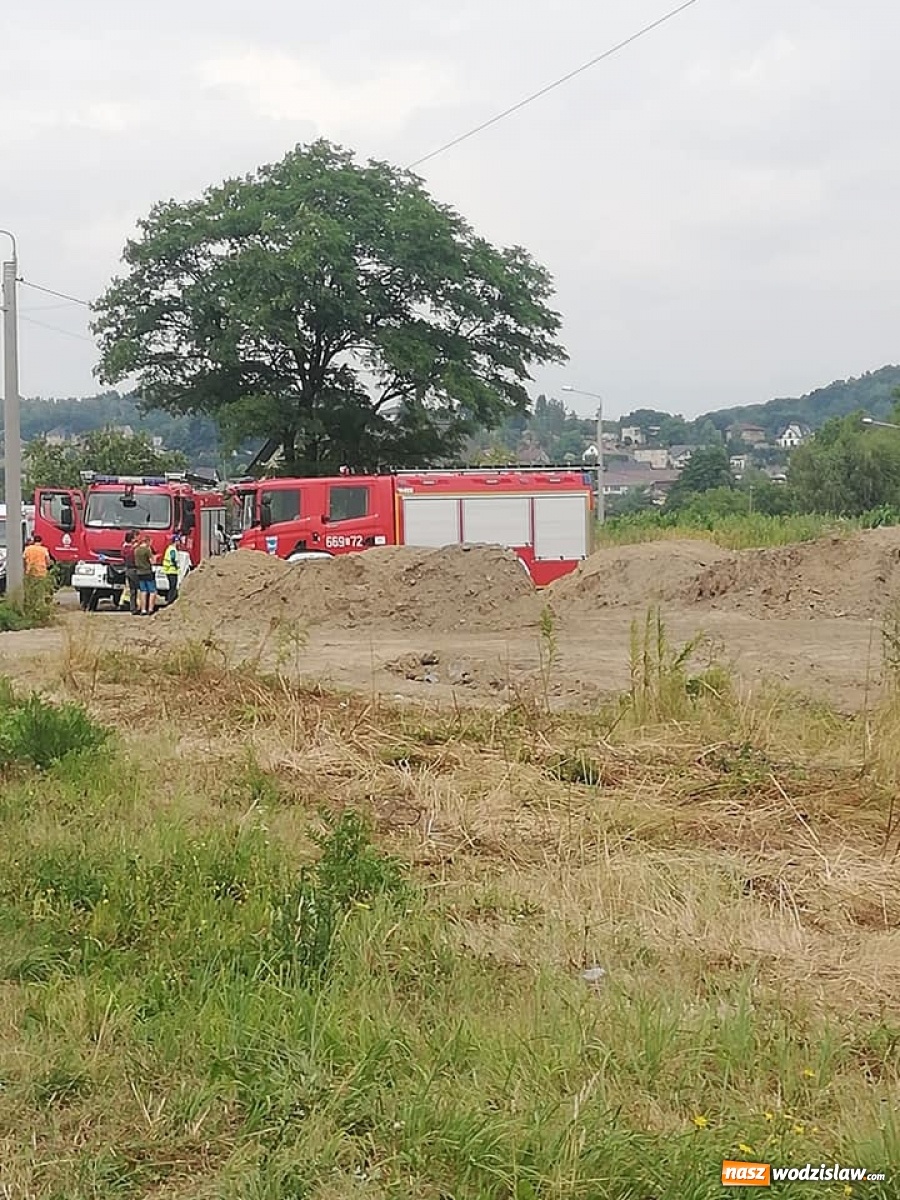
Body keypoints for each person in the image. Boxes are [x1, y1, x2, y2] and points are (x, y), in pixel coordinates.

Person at [133, 533, 158, 615]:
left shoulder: (136, 550)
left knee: (143, 591)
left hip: (139, 572)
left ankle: (143, 609)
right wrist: (155, 557)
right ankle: (150, 609)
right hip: (147, 572)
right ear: (147, 541)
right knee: (152, 591)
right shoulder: (147, 550)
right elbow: (152, 562)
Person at [120, 530, 139, 615]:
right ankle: (137, 607)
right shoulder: (131, 549)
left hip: (128, 569)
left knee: (132, 590)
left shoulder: (124, 548)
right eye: (135, 537)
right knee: (137, 589)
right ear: (131, 539)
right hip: (134, 570)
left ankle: (133, 607)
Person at [161, 533, 182, 604]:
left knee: (171, 586)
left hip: (169, 570)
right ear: (176, 541)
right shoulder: (173, 549)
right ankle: (171, 601)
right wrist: (176, 566)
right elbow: (173, 558)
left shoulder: (169, 548)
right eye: (179, 541)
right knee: (173, 587)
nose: (180, 543)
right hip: (172, 570)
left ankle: (170, 600)